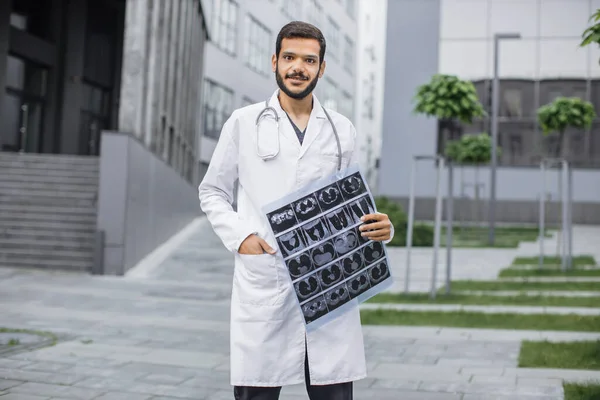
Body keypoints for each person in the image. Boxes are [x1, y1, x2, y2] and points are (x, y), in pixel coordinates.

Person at [198, 21, 394, 400]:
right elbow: (212, 192)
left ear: (321, 69)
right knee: (258, 390)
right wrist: (242, 238)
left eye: (308, 59)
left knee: (333, 389)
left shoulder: (341, 130)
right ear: (274, 61)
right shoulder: (244, 122)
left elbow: (351, 204)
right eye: (289, 57)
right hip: (267, 276)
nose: (297, 67)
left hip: (330, 280)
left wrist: (379, 225)